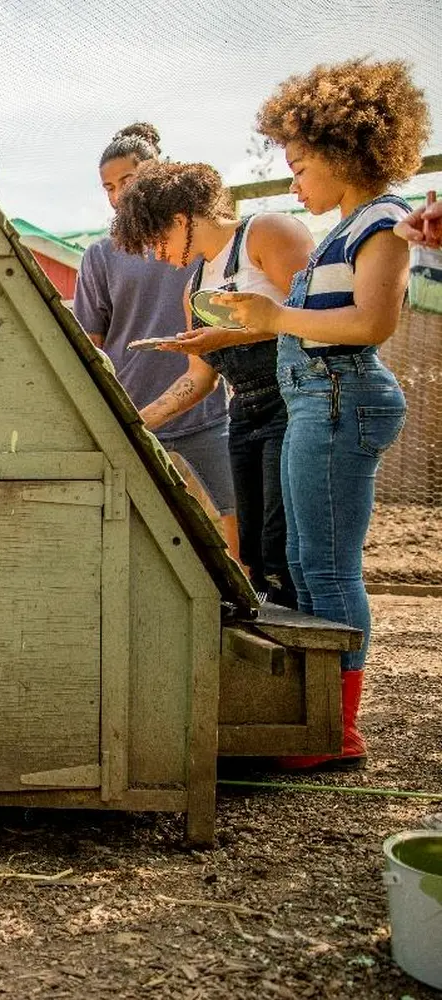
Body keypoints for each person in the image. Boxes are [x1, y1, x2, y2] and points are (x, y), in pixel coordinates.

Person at [215, 57, 431, 770]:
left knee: (329, 569)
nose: (294, 180)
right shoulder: (341, 230)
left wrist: (278, 313)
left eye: (302, 164)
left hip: (339, 398)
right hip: (315, 398)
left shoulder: (385, 220)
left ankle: (338, 734)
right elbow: (307, 318)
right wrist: (259, 320)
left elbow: (372, 322)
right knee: (305, 562)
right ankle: (315, 723)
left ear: (343, 151)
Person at [111, 161, 314, 607]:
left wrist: (228, 335)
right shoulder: (193, 286)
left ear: (181, 220)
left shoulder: (265, 233)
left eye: (158, 240)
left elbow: (318, 317)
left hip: (295, 401)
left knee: (287, 545)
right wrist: (136, 422)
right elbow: (199, 377)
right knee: (255, 551)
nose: (158, 255)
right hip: (244, 412)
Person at [73, 124, 239, 553]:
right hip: (134, 410)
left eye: (126, 181)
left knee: (235, 521)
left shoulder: (200, 239)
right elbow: (91, 341)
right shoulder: (101, 255)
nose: (116, 195)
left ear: (157, 171)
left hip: (202, 410)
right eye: (108, 187)